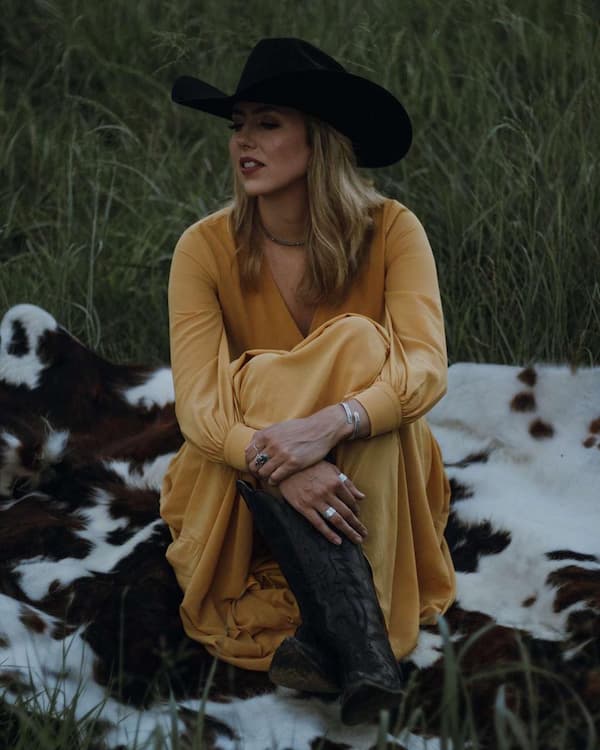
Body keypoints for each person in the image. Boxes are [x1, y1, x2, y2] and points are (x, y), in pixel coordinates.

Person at [161, 37, 455, 725]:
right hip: (240, 474)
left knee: (359, 344)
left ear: (318, 140)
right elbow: (202, 410)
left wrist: (333, 423)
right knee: (266, 374)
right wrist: (285, 464)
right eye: (238, 125)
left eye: (268, 123)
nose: (243, 142)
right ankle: (365, 643)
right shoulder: (203, 248)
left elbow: (425, 365)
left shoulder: (392, 231)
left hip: (367, 459)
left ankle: (333, 633)